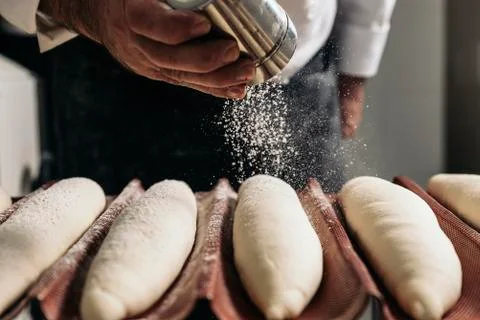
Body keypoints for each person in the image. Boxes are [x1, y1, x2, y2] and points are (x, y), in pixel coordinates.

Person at [0, 0, 396, 194]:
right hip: (115, 67)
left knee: (314, 272)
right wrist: (83, 7)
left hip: (299, 77)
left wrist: (358, 62)